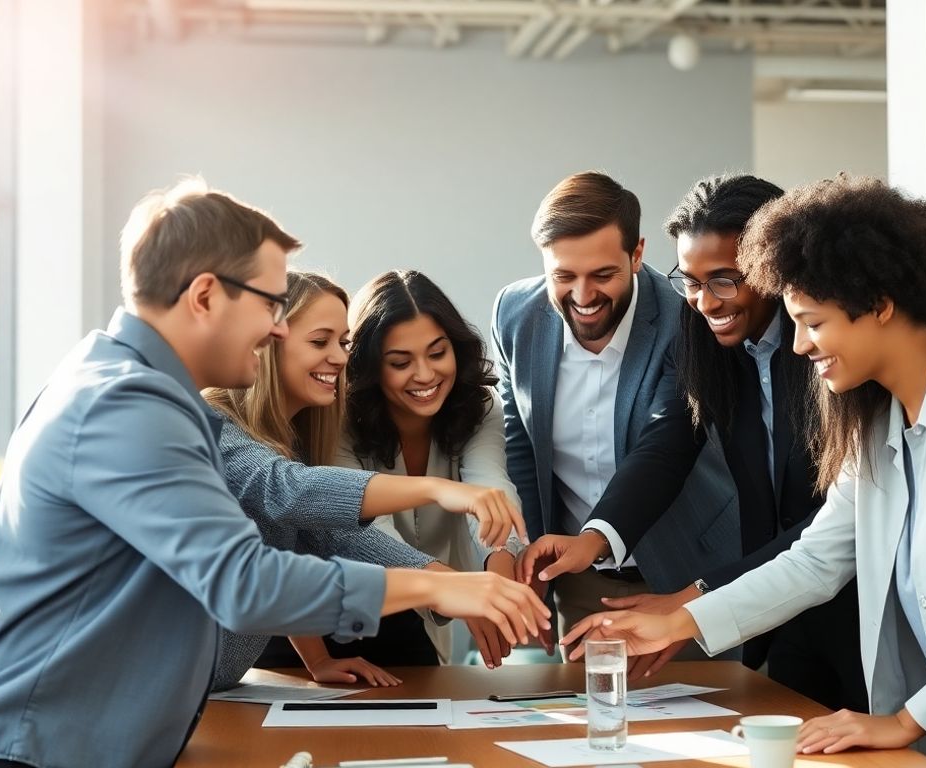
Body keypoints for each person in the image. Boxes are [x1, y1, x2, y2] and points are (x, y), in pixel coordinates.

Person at [0, 179, 550, 768]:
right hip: (28, 751)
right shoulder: (124, 407)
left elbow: (289, 524)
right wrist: (436, 587)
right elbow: (244, 581)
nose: (278, 327)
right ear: (204, 295)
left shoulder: (154, 398)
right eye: (272, 303)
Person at [563, 175, 926, 768]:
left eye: (813, 323)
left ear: (880, 306)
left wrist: (900, 723)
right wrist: (678, 622)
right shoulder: (876, 415)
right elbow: (817, 559)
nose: (796, 346)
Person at [517, 174, 865, 712]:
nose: (704, 302)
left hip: (857, 603)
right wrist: (595, 539)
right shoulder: (712, 342)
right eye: (692, 281)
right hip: (783, 607)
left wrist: (691, 601)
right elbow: (667, 443)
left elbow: (833, 528)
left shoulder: (827, 360)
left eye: (724, 280)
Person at [206, 270, 529, 688]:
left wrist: (318, 660)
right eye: (321, 342)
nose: (341, 358)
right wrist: (438, 490)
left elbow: (327, 537)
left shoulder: (293, 437)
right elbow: (285, 492)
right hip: (170, 683)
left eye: (343, 343)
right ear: (268, 343)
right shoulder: (212, 425)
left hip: (212, 685)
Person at [492, 171, 740, 654]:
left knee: (701, 719)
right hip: (580, 577)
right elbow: (521, 442)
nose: (583, 297)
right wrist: (532, 562)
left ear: (638, 253)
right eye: (563, 276)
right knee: (594, 719)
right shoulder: (514, 313)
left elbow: (664, 446)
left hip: (687, 564)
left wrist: (594, 537)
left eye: (602, 275)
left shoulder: (684, 318)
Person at [335, 270, 526, 667]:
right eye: (400, 362)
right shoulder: (336, 420)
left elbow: (489, 483)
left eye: (437, 353)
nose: (425, 375)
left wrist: (500, 571)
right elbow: (366, 529)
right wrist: (461, 589)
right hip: (349, 616)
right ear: (369, 366)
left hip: (429, 624)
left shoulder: (481, 406)